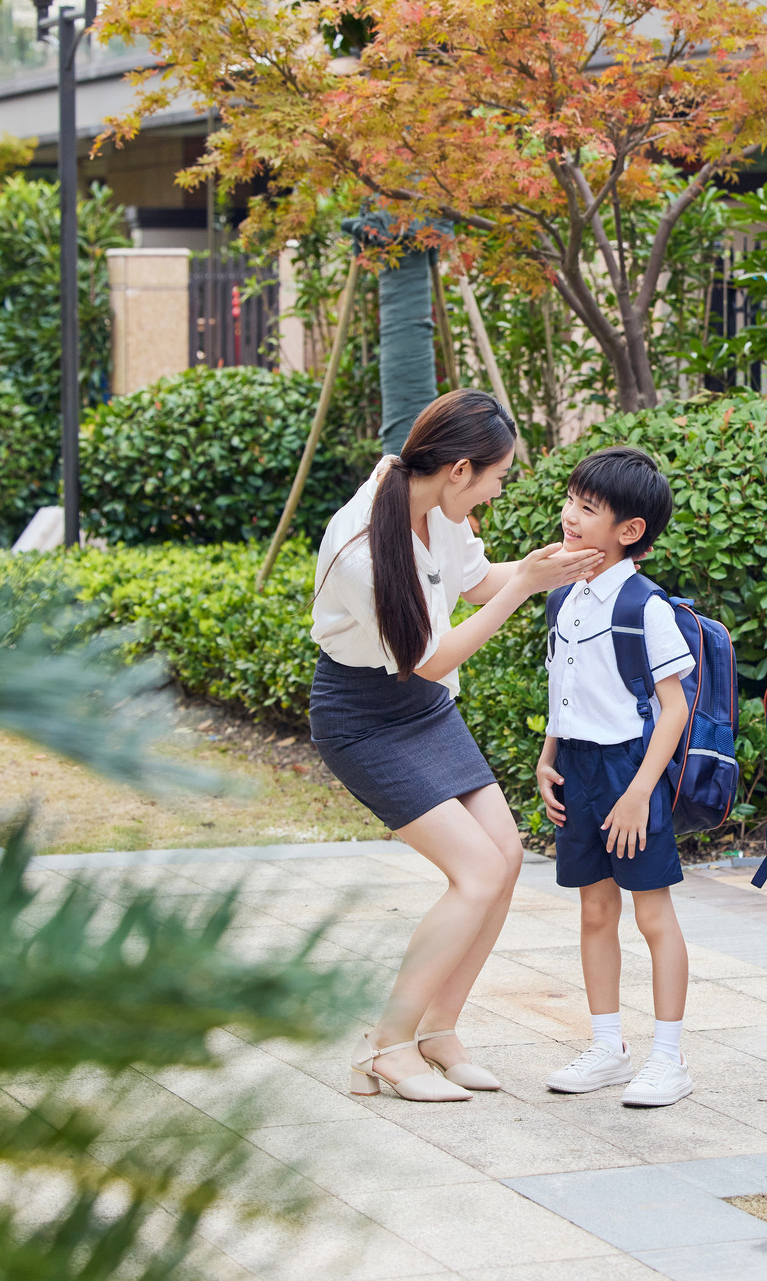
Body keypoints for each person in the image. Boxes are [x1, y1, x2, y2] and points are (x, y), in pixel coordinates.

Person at [312, 389, 603, 1103]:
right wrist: (525, 587)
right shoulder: (362, 546)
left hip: (424, 709)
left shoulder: (433, 503)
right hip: (362, 715)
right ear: (459, 469)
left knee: (504, 859)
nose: (499, 491)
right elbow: (432, 658)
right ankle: (387, 1044)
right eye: (498, 477)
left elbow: (475, 583)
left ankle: (438, 1028)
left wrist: (558, 565)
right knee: (474, 870)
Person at [535, 447, 699, 1107]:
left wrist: (638, 792)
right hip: (577, 765)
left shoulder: (644, 605)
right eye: (571, 499)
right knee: (595, 910)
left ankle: (668, 1057)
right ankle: (608, 1045)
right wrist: (549, 755)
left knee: (653, 915)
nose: (570, 515)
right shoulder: (563, 595)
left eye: (588, 507)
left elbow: (675, 707)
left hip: (631, 768)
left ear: (630, 530)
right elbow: (565, 687)